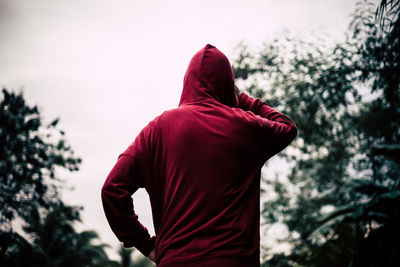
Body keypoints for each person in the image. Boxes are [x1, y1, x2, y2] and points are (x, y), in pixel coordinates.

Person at [101, 44, 297, 267]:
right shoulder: (243, 125)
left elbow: (112, 189)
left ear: (187, 82)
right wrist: (241, 99)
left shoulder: (158, 129)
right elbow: (287, 127)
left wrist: (146, 245)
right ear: (227, 84)